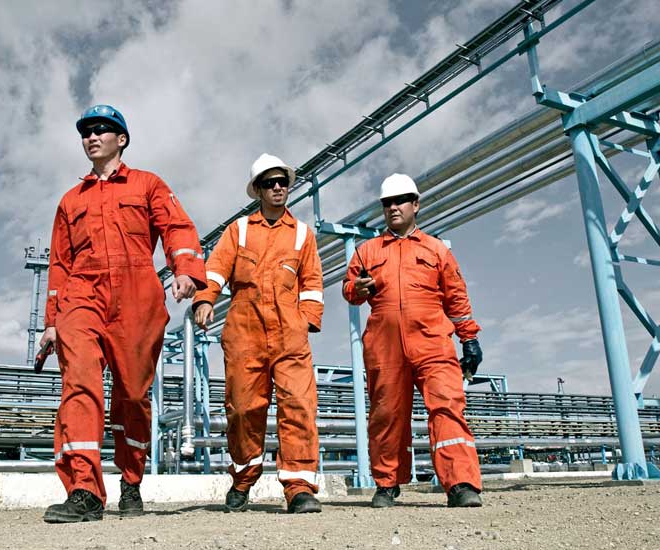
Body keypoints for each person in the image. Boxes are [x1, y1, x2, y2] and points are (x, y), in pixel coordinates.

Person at [40, 104, 206, 523]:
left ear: (122, 139)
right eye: (86, 132)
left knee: (132, 396)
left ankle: (131, 480)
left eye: (102, 130)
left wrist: (185, 269)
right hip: (82, 294)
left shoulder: (147, 184)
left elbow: (176, 227)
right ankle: (84, 491)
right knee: (79, 384)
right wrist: (52, 322)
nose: (92, 137)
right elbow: (59, 264)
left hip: (136, 296)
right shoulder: (70, 201)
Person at [342, 173, 484, 508]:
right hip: (384, 345)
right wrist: (356, 288)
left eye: (400, 201)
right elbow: (350, 291)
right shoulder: (367, 251)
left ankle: (460, 483)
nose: (393, 207)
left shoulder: (436, 250)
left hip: (432, 340)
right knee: (386, 414)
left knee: (447, 405)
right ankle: (386, 483)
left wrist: (469, 339)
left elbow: (457, 298)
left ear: (415, 205)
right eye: (387, 203)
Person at [193, 154, 324, 514]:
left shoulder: (302, 234)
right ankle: (242, 478)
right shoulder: (238, 231)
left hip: (290, 335)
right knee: (243, 410)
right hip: (244, 333)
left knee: (299, 405)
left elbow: (312, 282)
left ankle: (299, 488)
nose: (278, 187)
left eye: (283, 182)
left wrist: (306, 321)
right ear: (258, 190)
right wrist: (205, 300)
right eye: (270, 183)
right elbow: (216, 269)